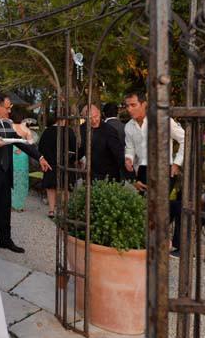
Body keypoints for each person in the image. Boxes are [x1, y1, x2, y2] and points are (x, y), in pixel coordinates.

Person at [0, 93, 51, 256]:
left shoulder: (6, 123)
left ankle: (5, 240)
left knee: (4, 209)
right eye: (7, 108)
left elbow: (19, 142)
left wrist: (40, 157)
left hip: (5, 173)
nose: (9, 111)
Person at [123, 91, 185, 253]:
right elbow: (130, 147)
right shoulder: (129, 126)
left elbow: (185, 138)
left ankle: (162, 243)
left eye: (133, 105)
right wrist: (128, 158)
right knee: (145, 207)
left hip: (163, 169)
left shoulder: (162, 120)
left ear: (144, 104)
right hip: (143, 171)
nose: (129, 109)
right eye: (127, 106)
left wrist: (177, 163)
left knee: (157, 207)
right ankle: (151, 242)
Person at [38, 116, 77, 219]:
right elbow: (74, 148)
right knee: (65, 187)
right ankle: (65, 211)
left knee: (51, 187)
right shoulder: (68, 131)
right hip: (65, 163)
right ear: (64, 119)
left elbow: (40, 147)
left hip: (50, 162)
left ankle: (51, 210)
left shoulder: (47, 131)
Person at [78, 104, 124, 182]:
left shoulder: (109, 130)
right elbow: (83, 147)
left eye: (96, 116)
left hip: (109, 175)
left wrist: (128, 175)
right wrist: (73, 159)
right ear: (84, 118)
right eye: (90, 119)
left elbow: (119, 153)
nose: (94, 120)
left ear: (99, 113)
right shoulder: (82, 128)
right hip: (91, 174)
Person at [10, 109, 36, 212]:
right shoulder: (26, 129)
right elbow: (31, 143)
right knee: (22, 180)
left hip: (11, 153)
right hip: (22, 155)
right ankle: (19, 205)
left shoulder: (9, 128)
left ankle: (10, 203)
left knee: (10, 178)